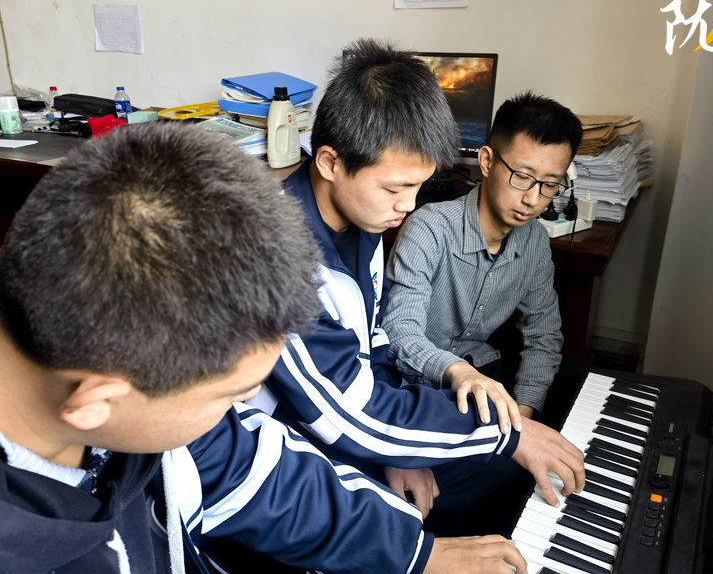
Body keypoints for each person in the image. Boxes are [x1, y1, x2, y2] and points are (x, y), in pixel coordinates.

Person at [0, 123, 529, 574]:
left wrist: (418, 554)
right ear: (96, 403)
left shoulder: (140, 409)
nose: (245, 405)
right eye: (227, 396)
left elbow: (253, 470)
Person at [256, 39, 584, 537]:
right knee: (508, 475)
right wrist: (505, 437)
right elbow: (342, 413)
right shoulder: (282, 256)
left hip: (350, 415)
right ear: (329, 162)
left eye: (418, 187)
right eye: (395, 188)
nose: (408, 206)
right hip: (289, 451)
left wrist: (400, 452)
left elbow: (375, 341)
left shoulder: (363, 222)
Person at [383, 91, 583, 426]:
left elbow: (543, 337)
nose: (533, 199)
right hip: (414, 380)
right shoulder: (430, 228)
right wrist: (459, 372)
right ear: (487, 161)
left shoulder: (534, 240)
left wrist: (523, 417)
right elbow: (400, 331)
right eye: (522, 177)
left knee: (574, 394)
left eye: (550, 185)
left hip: (481, 367)